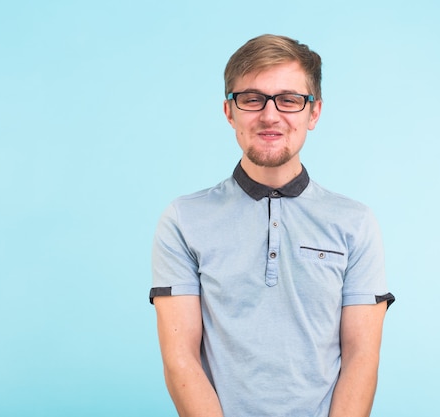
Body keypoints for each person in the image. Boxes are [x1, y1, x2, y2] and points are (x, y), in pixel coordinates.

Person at [149, 34, 395, 417]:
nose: (269, 115)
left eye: (289, 99)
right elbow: (180, 359)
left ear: (313, 113)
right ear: (229, 111)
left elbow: (362, 358)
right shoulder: (183, 219)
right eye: (252, 98)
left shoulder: (355, 223)